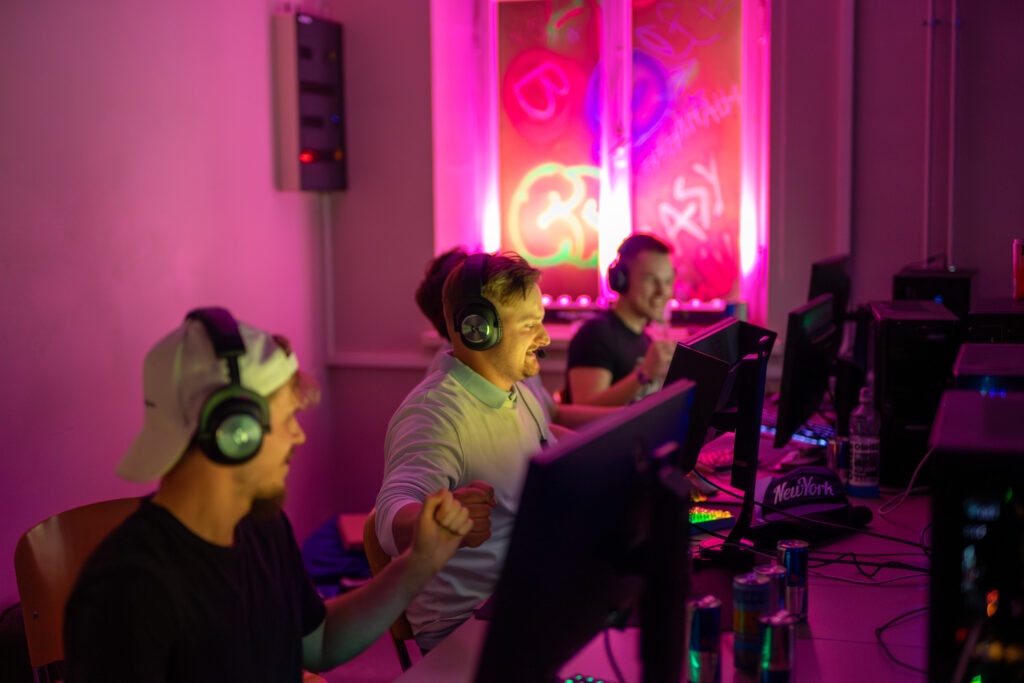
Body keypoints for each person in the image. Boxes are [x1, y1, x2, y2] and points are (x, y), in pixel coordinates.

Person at [64, 307, 472, 682]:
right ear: (234, 432)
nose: (298, 436)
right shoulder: (128, 588)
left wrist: (417, 564)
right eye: (288, 418)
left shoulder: (262, 525)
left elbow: (320, 642)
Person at [376, 251, 554, 650]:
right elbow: (391, 511)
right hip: (466, 625)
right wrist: (440, 518)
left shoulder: (515, 393)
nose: (544, 339)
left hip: (524, 599)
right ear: (477, 329)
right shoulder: (435, 414)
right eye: (530, 326)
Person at [415, 246, 613, 436]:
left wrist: (623, 419)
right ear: (478, 320)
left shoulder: (508, 359)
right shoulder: (439, 409)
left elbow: (548, 418)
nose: (544, 339)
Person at [565, 233, 678, 406]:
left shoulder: (646, 340)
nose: (662, 292)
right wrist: (643, 375)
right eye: (651, 280)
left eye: (668, 281)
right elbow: (584, 409)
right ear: (621, 280)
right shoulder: (596, 335)